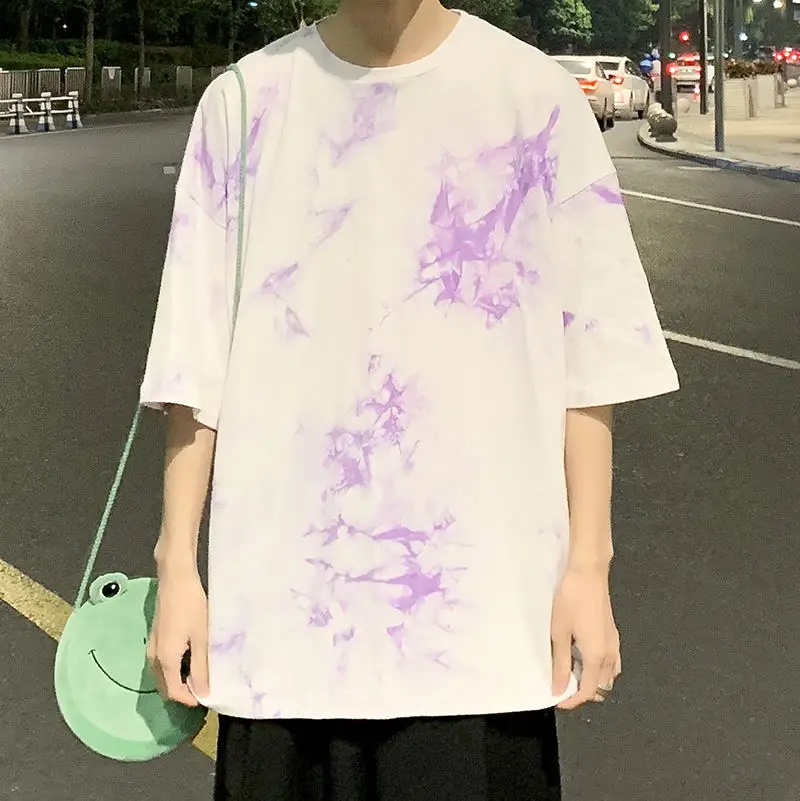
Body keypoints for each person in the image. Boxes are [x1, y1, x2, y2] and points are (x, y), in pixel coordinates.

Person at [140, 1, 680, 799]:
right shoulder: (245, 103)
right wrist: (177, 565)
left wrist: (588, 566)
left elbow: (590, 364)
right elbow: (194, 367)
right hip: (285, 637)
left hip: (482, 638)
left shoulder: (533, 99)